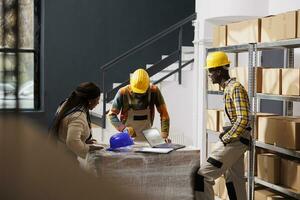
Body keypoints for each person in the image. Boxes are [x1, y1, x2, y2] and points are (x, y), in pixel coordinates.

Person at [195, 51, 251, 200]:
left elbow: (243, 118)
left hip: (235, 141)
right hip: (236, 140)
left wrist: (226, 137)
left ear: (219, 71)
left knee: (202, 175)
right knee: (234, 181)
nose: (209, 75)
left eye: (210, 71)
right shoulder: (228, 88)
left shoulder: (235, 88)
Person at [108, 68, 170, 142]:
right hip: (129, 136)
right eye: (137, 92)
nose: (139, 95)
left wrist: (164, 135)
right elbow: (111, 115)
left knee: (155, 150)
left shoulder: (154, 91)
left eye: (142, 92)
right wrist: (123, 128)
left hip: (148, 133)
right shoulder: (123, 92)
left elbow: (164, 114)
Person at [50, 82, 103, 159]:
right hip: (66, 159)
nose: (98, 103)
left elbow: (66, 131)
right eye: (97, 100)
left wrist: (83, 141)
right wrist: (88, 149)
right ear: (89, 100)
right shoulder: (78, 116)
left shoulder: (67, 104)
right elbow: (72, 142)